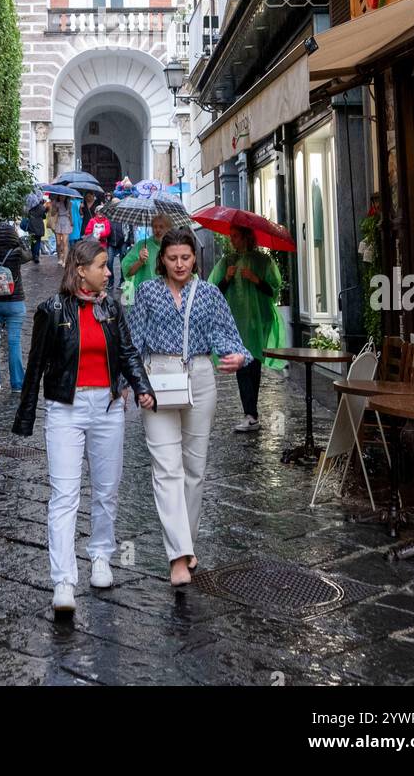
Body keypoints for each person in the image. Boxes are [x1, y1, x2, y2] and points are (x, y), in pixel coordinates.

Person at [12, 238, 156, 615]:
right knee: (64, 495)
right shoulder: (51, 309)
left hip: (108, 408)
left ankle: (101, 557)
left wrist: (141, 388)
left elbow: (126, 351)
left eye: (108, 266)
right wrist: (27, 415)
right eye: (102, 266)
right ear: (81, 270)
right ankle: (63, 580)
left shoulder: (111, 307)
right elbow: (36, 364)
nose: (109, 272)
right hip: (65, 408)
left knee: (107, 490)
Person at [129, 229, 251, 588]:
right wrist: (132, 385)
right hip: (158, 379)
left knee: (194, 469)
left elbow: (230, 338)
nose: (179, 264)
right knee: (166, 468)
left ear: (194, 257)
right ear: (161, 259)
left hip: (199, 376)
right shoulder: (148, 291)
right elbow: (134, 341)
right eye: (172, 258)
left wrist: (237, 358)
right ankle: (178, 556)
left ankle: (187, 542)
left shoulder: (210, 294)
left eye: (185, 257)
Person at [209, 224, 284, 432]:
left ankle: (251, 413)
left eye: (235, 236)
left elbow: (273, 290)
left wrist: (256, 279)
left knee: (254, 364)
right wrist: (227, 278)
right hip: (236, 321)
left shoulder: (263, 261)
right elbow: (214, 290)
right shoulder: (227, 262)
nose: (232, 240)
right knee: (242, 364)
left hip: (258, 320)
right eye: (231, 236)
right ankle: (250, 413)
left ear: (246, 237)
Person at [0, 219, 33, 393]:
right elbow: (30, 256)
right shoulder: (17, 252)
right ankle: (17, 384)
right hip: (14, 302)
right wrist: (19, 242)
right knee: (14, 342)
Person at [121, 213, 173, 294]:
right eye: (155, 227)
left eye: (161, 227)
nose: (157, 230)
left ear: (168, 229)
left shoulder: (175, 246)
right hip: (146, 295)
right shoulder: (142, 245)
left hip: (169, 295)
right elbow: (127, 272)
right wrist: (140, 261)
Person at [51, 195, 73, 266]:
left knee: (65, 242)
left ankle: (65, 260)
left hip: (66, 221)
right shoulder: (56, 203)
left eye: (63, 196)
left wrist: (71, 221)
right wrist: (55, 207)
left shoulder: (69, 203)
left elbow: (70, 213)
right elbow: (52, 214)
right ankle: (60, 258)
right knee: (58, 243)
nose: (62, 197)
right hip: (59, 221)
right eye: (60, 196)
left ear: (66, 197)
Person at [25, 196, 46, 264]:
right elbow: (44, 216)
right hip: (39, 225)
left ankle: (33, 255)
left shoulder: (29, 207)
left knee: (33, 240)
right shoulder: (41, 207)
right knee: (38, 240)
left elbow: (26, 215)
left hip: (31, 225)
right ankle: (36, 255)